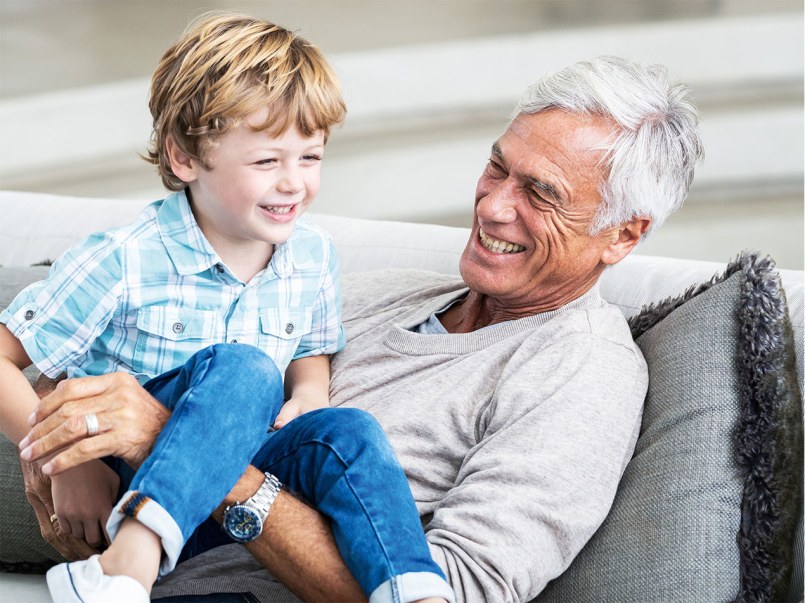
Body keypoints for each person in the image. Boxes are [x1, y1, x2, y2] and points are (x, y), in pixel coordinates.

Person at [17, 55, 704, 602]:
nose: (493, 205)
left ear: (623, 235)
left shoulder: (580, 371)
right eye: (497, 166)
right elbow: (114, 344)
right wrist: (71, 451)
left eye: (539, 193)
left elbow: (460, 589)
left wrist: (201, 462)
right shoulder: (357, 290)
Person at [0, 12, 453, 603]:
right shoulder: (124, 258)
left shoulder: (312, 255)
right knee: (243, 369)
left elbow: (312, 347)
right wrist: (67, 461)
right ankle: (124, 564)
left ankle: (416, 592)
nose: (294, 183)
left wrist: (311, 391)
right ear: (185, 158)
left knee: (349, 430)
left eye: (310, 158)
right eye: (267, 161)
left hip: (232, 495)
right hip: (124, 481)